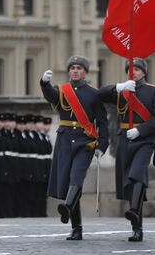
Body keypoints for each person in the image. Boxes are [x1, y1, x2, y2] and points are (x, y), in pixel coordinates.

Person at [40, 56, 109, 240]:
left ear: (85, 71)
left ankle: (68, 206)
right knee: (68, 181)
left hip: (84, 142)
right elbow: (50, 95)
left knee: (76, 178)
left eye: (79, 68)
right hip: (65, 140)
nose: (75, 71)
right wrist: (45, 83)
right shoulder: (62, 90)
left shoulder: (94, 93)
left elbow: (102, 121)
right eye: (72, 68)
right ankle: (76, 228)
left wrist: (102, 144)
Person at [98, 58, 155, 242]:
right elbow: (100, 94)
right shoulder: (122, 91)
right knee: (129, 180)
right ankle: (137, 228)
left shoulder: (154, 91)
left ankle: (134, 210)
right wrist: (119, 87)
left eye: (137, 69)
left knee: (137, 174)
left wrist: (140, 130)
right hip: (124, 137)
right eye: (130, 69)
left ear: (144, 72)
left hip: (145, 139)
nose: (133, 72)